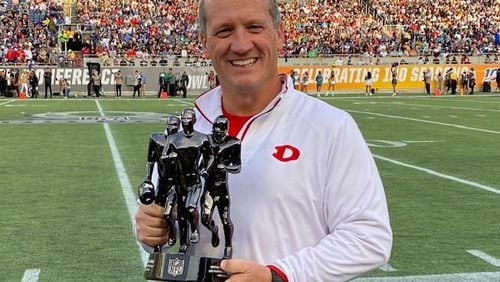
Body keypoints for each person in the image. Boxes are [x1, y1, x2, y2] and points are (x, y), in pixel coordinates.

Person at [135, 0, 392, 281]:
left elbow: (369, 237)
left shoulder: (330, 126)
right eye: (224, 31)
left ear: (278, 33)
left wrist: (280, 275)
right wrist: (152, 227)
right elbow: (162, 214)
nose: (241, 44)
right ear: (203, 41)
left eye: (254, 27)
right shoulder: (190, 125)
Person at [160, 108, 213, 254]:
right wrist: (171, 158)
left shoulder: (202, 138)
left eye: (188, 119)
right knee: (180, 215)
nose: (185, 121)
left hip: (194, 181)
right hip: (178, 181)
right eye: (183, 119)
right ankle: (183, 244)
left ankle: (195, 229)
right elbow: (164, 156)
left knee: (190, 208)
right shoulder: (173, 138)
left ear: (194, 120)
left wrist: (205, 168)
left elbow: (210, 156)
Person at [201, 115, 241, 259]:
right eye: (216, 131)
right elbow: (201, 160)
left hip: (222, 186)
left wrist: (226, 167)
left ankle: (228, 245)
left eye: (220, 131)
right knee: (205, 219)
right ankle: (214, 230)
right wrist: (202, 169)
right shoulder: (207, 140)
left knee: (225, 219)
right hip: (209, 187)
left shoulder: (233, 143)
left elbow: (238, 166)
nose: (217, 134)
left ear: (226, 131)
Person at [138, 115, 181, 248]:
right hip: (163, 183)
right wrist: (148, 178)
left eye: (174, 125)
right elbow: (151, 160)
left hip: (179, 184)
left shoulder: (187, 139)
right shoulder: (157, 138)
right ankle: (172, 236)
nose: (171, 128)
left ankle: (176, 235)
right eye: (170, 125)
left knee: (169, 214)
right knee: (161, 216)